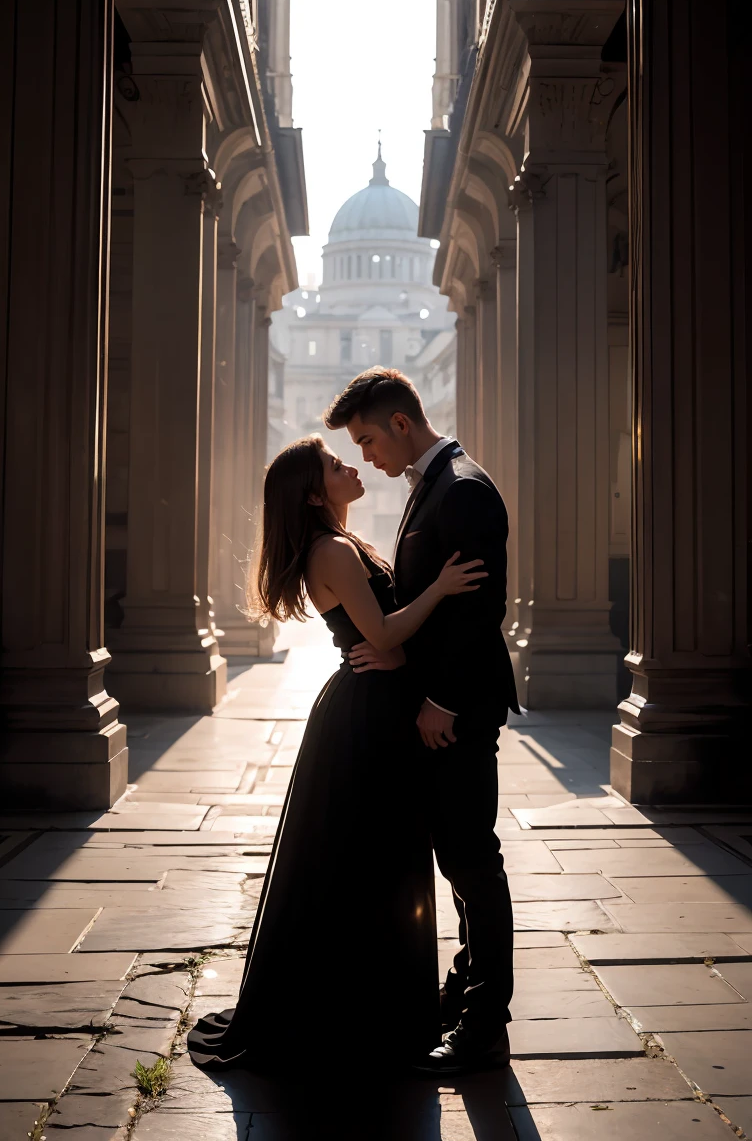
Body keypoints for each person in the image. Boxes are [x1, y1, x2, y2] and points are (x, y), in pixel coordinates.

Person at [187, 433, 486, 1070]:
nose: (350, 464)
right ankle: (360, 1009)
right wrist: (440, 589)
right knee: (369, 853)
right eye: (334, 463)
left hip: (373, 705)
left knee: (371, 854)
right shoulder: (333, 551)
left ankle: (373, 1000)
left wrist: (402, 640)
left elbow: (388, 638)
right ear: (317, 493)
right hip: (367, 715)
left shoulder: (342, 545)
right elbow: (383, 634)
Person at [324, 366, 520, 1075]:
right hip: (437, 703)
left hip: (458, 709)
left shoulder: (462, 489)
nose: (368, 456)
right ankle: (466, 994)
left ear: (402, 424)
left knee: (474, 860)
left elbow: (479, 610)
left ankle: (486, 1023)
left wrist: (442, 700)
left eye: (369, 439)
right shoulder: (434, 484)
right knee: (458, 858)